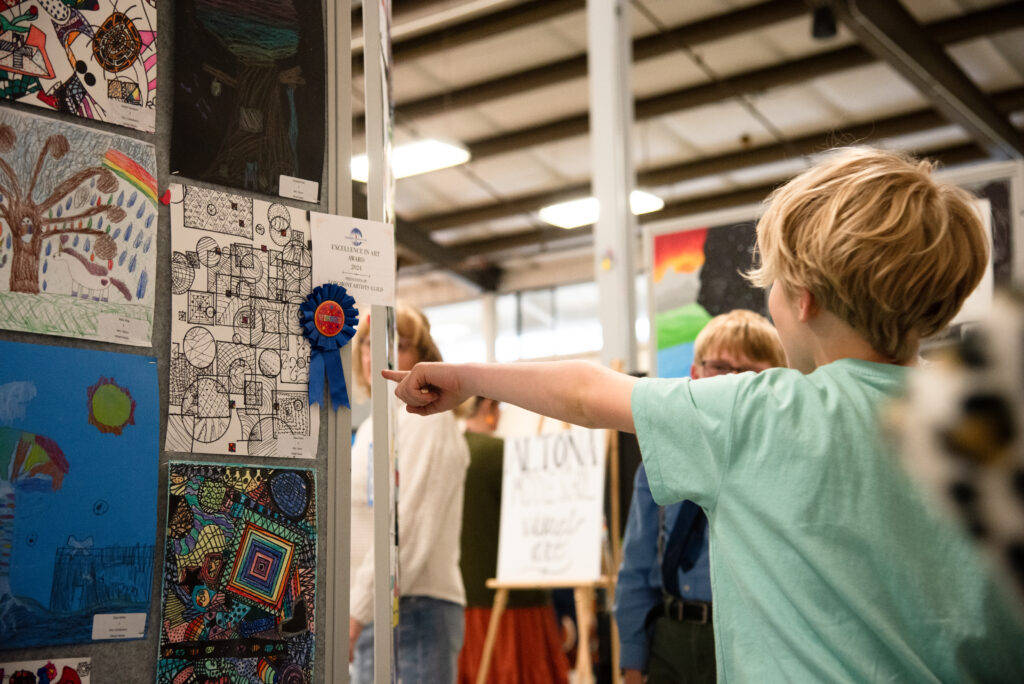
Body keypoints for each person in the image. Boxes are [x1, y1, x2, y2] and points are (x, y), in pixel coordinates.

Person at [383, 147, 1024, 680]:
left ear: (803, 300)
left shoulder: (754, 415)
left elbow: (584, 392)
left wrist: (466, 377)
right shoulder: (989, 432)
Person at [617, 310, 786, 684]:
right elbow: (637, 567)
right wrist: (632, 658)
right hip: (672, 637)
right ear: (696, 373)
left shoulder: (781, 465)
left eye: (750, 373)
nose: (732, 383)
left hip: (750, 638)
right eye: (721, 368)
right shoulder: (659, 464)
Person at [349, 303, 470, 684]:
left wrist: (357, 611)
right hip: (382, 608)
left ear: (422, 360)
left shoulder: (425, 418)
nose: (379, 354)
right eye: (369, 343)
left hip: (411, 609)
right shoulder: (373, 426)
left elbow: (408, 527)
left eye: (398, 345)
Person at [457, 397, 570, 683]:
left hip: (465, 599)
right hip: (513, 601)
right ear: (487, 407)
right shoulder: (502, 453)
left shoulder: (455, 450)